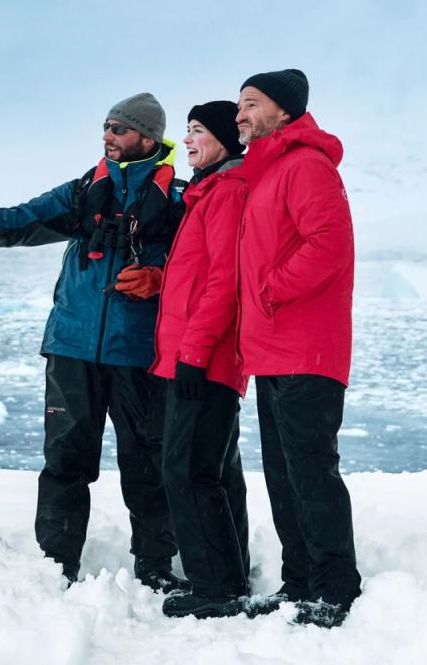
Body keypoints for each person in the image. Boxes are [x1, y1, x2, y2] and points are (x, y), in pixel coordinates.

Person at [0, 93, 187, 591]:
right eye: (105, 127)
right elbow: (25, 217)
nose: (107, 136)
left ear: (147, 139)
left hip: (141, 352)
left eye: (119, 129)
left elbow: (204, 265)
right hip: (72, 345)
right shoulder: (86, 191)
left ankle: (154, 567)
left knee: (148, 462)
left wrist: (160, 277)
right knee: (65, 460)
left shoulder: (177, 201)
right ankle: (55, 565)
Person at [232, 69, 360, 628]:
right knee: (284, 474)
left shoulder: (305, 166)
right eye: (239, 105)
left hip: (306, 347)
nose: (240, 115)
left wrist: (270, 288)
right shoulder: (268, 172)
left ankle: (335, 590)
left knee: (310, 471)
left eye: (251, 104)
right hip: (273, 349)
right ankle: (301, 583)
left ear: (283, 112)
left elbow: (329, 244)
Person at [150, 101, 252, 619]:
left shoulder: (227, 192)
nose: (187, 140)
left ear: (224, 140)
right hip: (196, 355)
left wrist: (191, 354)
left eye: (197, 131)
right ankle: (228, 576)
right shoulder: (207, 191)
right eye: (186, 131)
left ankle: (217, 588)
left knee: (187, 469)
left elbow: (223, 283)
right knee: (210, 468)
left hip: (205, 356)